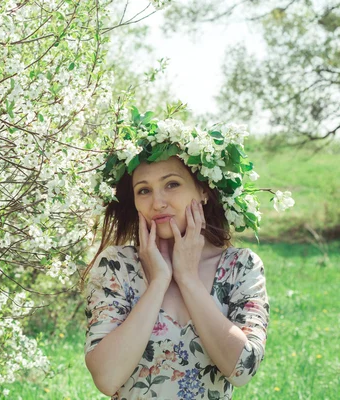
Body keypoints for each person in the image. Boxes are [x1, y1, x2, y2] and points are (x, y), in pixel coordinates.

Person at [82, 112, 283, 399]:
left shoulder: (241, 267)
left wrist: (188, 278)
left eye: (172, 184)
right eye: (144, 190)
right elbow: (106, 378)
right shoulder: (117, 266)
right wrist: (158, 283)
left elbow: (242, 370)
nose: (158, 202)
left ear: (202, 190)